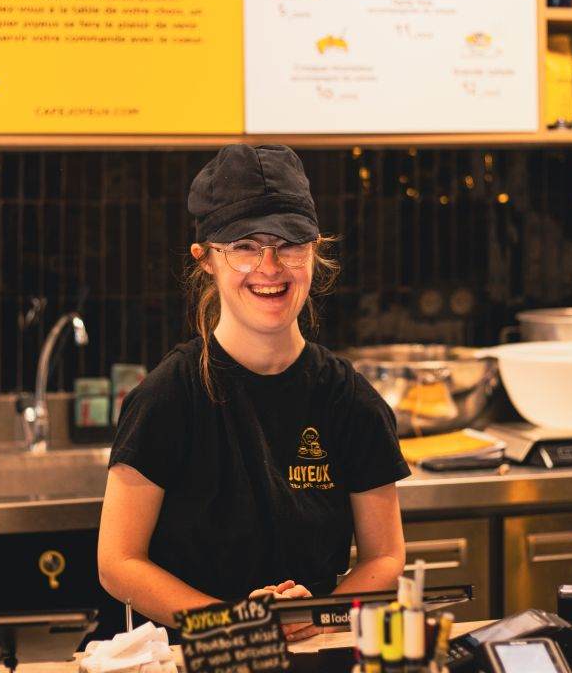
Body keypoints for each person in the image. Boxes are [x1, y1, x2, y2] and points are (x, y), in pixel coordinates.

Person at [98, 144, 410, 640]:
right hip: (196, 655)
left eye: (290, 244)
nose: (270, 266)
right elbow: (118, 563)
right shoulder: (167, 398)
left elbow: (386, 555)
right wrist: (233, 624)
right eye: (244, 246)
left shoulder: (350, 400)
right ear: (207, 260)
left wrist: (320, 611)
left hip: (310, 652)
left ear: (314, 251)